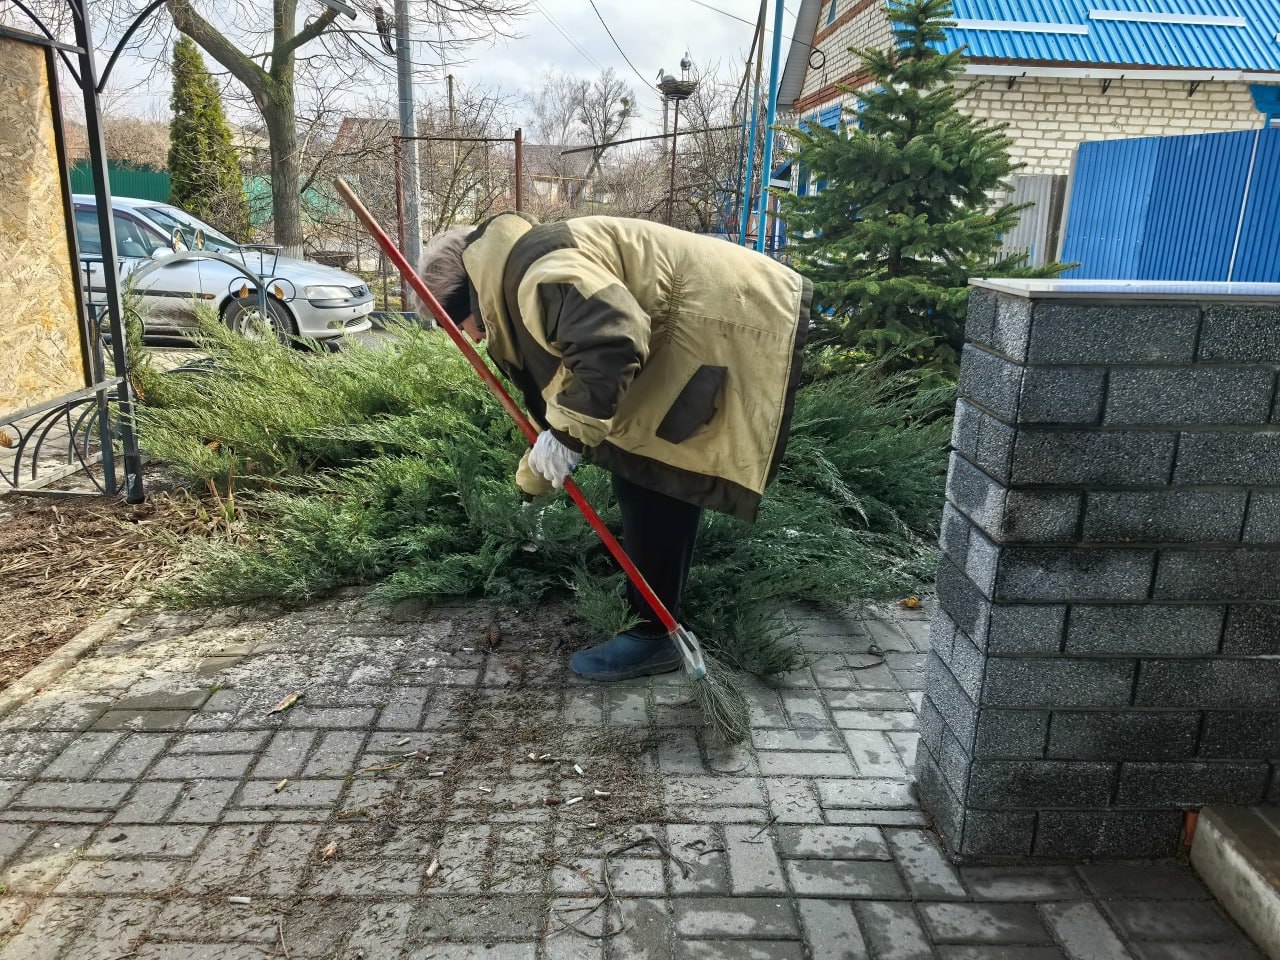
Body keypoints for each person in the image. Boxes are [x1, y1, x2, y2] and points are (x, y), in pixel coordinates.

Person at [418, 212, 810, 681]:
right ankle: (657, 616)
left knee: (651, 474)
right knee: (651, 466)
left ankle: (652, 635)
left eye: (458, 325)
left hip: (735, 321)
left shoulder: (538, 273)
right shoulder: (518, 270)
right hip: (703, 327)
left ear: (470, 299)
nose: (470, 338)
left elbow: (612, 339)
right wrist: (547, 450)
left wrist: (566, 437)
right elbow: (574, 361)